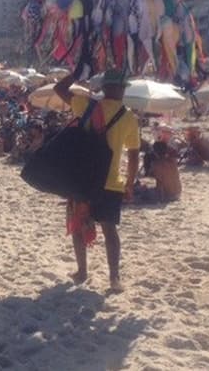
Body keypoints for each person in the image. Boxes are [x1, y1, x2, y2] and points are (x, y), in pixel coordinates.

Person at [54, 69, 140, 291]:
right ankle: (114, 278)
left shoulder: (88, 106)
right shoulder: (128, 116)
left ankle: (82, 271)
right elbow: (133, 154)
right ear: (121, 89)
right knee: (110, 230)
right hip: (110, 182)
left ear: (104, 87)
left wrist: (78, 72)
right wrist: (130, 183)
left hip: (83, 179)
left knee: (77, 226)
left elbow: (59, 89)